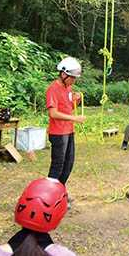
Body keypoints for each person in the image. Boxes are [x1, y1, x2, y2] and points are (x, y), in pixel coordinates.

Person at [46, 57, 86, 185]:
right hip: (58, 133)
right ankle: (50, 195)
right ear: (63, 74)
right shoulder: (53, 89)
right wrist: (75, 119)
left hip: (69, 131)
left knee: (68, 164)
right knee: (58, 165)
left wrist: (77, 101)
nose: (74, 81)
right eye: (72, 78)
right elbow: (53, 113)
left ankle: (60, 193)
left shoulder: (68, 88)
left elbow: (69, 108)